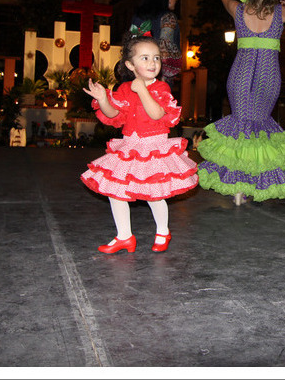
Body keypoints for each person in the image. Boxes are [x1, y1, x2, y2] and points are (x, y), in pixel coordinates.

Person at [196, 0, 285, 206]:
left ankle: (238, 189)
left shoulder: (239, 10)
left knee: (241, 127)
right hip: (268, 76)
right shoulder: (279, 12)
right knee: (258, 128)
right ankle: (251, 183)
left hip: (240, 74)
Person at [81, 32, 198, 253]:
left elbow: (156, 114)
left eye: (156, 58)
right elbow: (114, 115)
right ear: (130, 64)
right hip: (130, 147)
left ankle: (163, 231)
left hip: (154, 148)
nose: (152, 62)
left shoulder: (161, 88)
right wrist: (103, 99)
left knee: (154, 194)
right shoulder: (124, 89)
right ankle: (124, 236)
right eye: (145, 58)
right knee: (116, 192)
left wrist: (143, 89)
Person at [131, 0, 182, 87]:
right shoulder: (168, 17)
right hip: (157, 80)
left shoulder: (137, 17)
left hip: (135, 77)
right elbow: (166, 51)